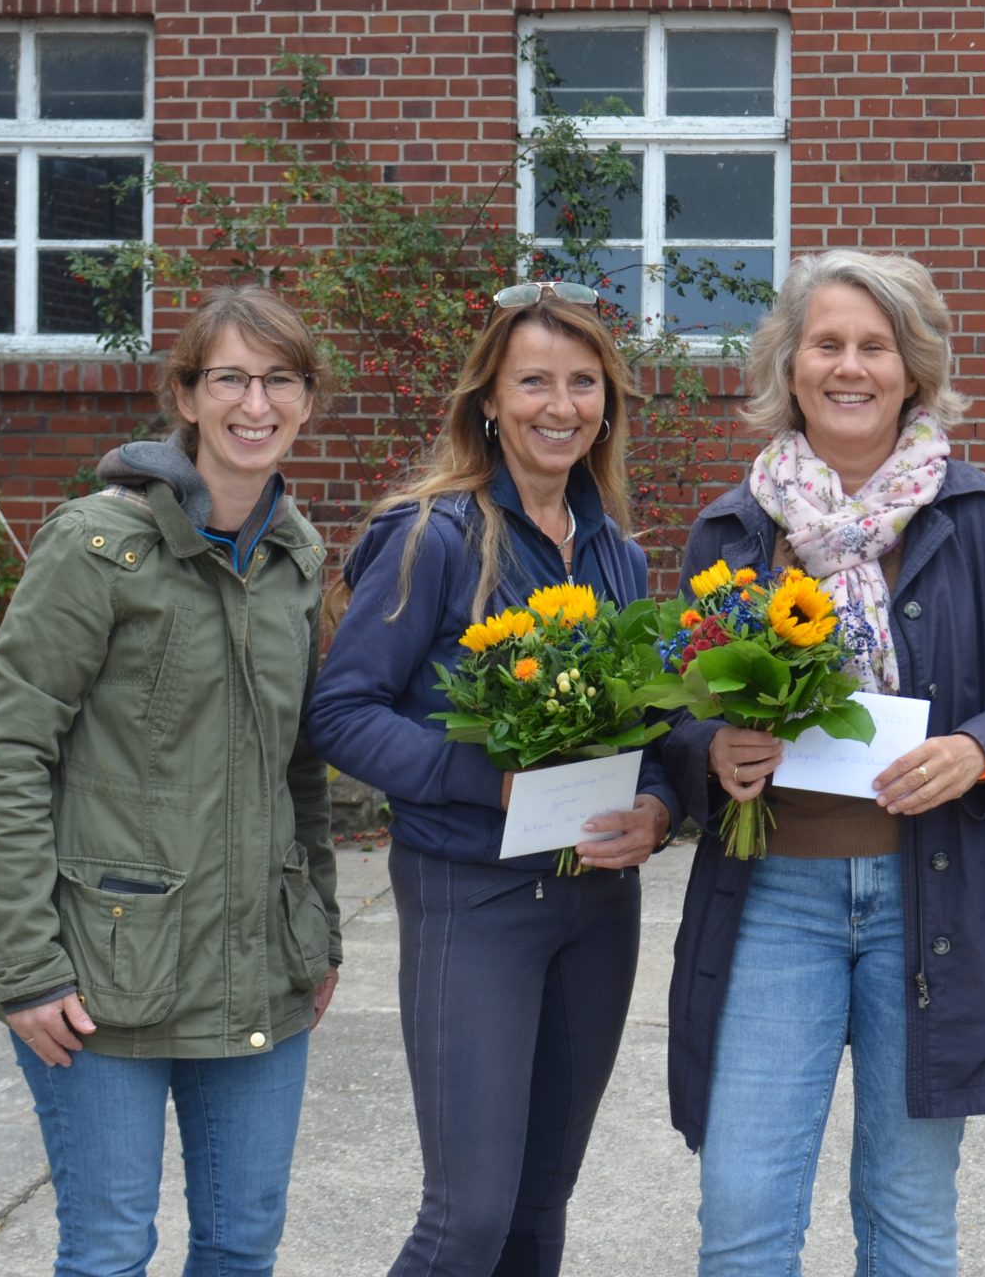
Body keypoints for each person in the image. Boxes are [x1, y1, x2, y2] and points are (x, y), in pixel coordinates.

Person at [661, 250, 985, 1277]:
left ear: (912, 369)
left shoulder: (973, 518)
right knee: (745, 1211)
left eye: (874, 346)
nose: (849, 367)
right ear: (790, 365)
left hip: (929, 898)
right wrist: (711, 746)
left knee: (905, 1215)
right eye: (827, 344)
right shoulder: (736, 528)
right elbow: (669, 710)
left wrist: (981, 750)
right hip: (774, 900)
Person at [0, 284, 342, 1277]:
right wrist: (26, 964)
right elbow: (9, 754)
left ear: (306, 399)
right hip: (101, 977)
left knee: (239, 1249)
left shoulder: (299, 562)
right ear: (186, 395)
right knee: (106, 1253)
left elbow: (300, 771)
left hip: (261, 970)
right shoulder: (98, 547)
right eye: (229, 378)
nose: (253, 404)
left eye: (278, 381)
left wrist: (319, 930)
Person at [305, 280, 674, 1277]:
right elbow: (340, 712)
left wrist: (660, 806)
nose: (561, 406)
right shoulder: (434, 536)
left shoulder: (618, 558)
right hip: (474, 895)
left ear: (608, 401)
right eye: (534, 383)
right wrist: (486, 782)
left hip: (597, 903)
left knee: (537, 1207)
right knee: (467, 1218)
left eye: (583, 383)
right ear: (487, 400)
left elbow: (656, 731)